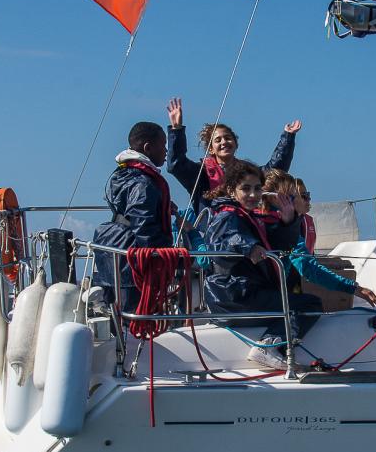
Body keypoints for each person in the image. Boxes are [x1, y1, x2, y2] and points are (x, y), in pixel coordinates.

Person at [202, 159, 324, 369]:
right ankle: (269, 346)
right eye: (246, 189)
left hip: (238, 295)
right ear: (231, 190)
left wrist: (288, 221)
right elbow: (227, 238)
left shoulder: (246, 216)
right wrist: (249, 247)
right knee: (311, 305)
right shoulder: (227, 216)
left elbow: (277, 245)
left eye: (257, 188)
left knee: (298, 301)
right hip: (234, 297)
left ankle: (273, 343)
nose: (253, 194)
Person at [165, 96, 302, 217]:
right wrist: (177, 130)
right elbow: (176, 165)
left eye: (228, 138)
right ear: (211, 149)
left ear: (236, 144)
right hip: (213, 233)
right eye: (218, 140)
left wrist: (288, 137)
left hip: (244, 228)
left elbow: (274, 170)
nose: (224, 142)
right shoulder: (201, 173)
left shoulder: (248, 172)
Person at [262, 169, 376, 308]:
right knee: (313, 305)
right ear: (276, 199)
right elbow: (309, 268)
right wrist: (354, 288)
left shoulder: (262, 220)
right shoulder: (282, 228)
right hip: (265, 299)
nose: (304, 200)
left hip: (260, 295)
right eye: (295, 196)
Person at [91, 121, 174, 312]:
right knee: (135, 316)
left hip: (112, 248)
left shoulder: (122, 174)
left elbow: (128, 207)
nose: (166, 151)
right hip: (130, 262)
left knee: (118, 314)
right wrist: (168, 258)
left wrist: (161, 206)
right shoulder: (143, 183)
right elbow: (144, 228)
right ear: (148, 148)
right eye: (163, 145)